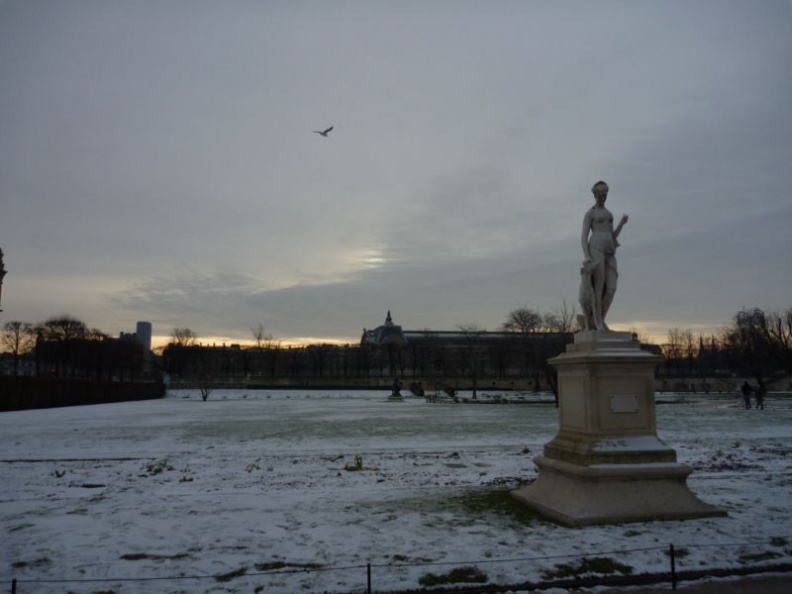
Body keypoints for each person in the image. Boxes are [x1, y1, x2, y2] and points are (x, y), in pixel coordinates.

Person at [580, 181, 628, 330]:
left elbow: (612, 236)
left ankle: (599, 318)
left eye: (604, 195)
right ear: (595, 195)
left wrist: (621, 224)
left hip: (609, 250)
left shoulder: (609, 214)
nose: (602, 198)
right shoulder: (591, 213)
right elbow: (583, 236)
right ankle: (598, 322)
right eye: (600, 195)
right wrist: (587, 255)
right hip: (595, 248)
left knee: (611, 288)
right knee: (598, 287)